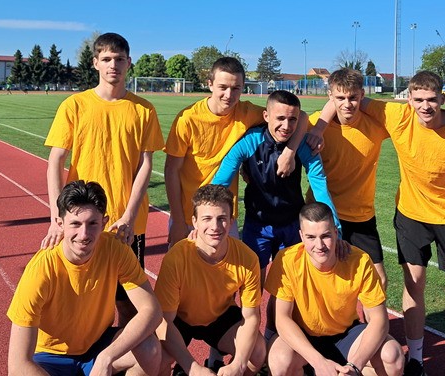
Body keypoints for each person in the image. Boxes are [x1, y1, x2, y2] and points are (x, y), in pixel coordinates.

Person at [360, 71, 445, 376]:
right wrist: (319, 125)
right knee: (413, 283)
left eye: (431, 99)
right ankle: (415, 360)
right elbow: (350, 99)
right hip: (411, 215)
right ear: (409, 99)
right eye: (418, 99)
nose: (425, 106)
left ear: (443, 99)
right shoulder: (398, 116)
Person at [308, 69, 445, 294]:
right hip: (322, 213)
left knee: (378, 281)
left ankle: (365, 319)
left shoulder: (378, 124)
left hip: (361, 215)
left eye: (353, 97)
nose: (347, 104)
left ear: (362, 95)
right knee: (321, 277)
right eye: (340, 98)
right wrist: (319, 128)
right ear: (330, 96)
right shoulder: (312, 124)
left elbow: (419, 120)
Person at [7, 180, 162, 376]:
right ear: (60, 224)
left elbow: (152, 310)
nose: (84, 234)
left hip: (97, 346)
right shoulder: (42, 269)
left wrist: (107, 357)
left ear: (104, 223)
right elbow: (17, 365)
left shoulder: (116, 249)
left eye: (92, 223)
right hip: (49, 357)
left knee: (149, 348)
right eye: (75, 224)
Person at [42, 33, 164, 274]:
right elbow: (55, 161)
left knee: (128, 292)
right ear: (95, 62)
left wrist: (129, 216)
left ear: (128, 63)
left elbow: (145, 165)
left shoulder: (144, 110)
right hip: (82, 220)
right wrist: (57, 217)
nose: (113, 65)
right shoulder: (74, 106)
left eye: (119, 59)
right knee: (82, 289)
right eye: (106, 59)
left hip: (126, 222)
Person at [164, 57, 311, 247]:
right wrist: (177, 220)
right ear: (210, 84)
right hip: (188, 214)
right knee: (183, 266)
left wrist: (289, 153)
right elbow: (171, 171)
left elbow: (301, 116)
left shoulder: (247, 112)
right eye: (223, 87)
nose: (229, 95)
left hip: (225, 215)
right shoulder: (187, 119)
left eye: (236, 88)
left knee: (230, 266)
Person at [211, 89, 342, 277]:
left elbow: (320, 187)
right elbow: (220, 184)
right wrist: (204, 219)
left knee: (292, 281)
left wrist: (336, 230)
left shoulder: (303, 145)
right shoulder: (250, 141)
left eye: (292, 119)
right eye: (280, 118)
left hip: (292, 224)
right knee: (253, 279)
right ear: (266, 116)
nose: (286, 126)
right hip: (257, 225)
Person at [265, 202, 404, 376]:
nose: (319, 245)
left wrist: (354, 366)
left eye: (325, 236)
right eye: (311, 237)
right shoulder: (287, 260)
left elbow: (379, 320)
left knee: (392, 357)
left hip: (346, 336)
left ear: (336, 233)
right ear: (301, 236)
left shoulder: (359, 260)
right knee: (280, 361)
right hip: (304, 337)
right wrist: (319, 362)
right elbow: (282, 319)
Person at [155, 184, 266, 376]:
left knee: (257, 352)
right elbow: (164, 321)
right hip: (180, 318)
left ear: (231, 221)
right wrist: (193, 367)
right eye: (207, 219)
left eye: (222, 219)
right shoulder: (176, 258)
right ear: (195, 222)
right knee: (155, 358)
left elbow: (251, 317)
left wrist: (238, 365)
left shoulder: (247, 258)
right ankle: (182, 368)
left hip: (220, 317)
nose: (215, 227)